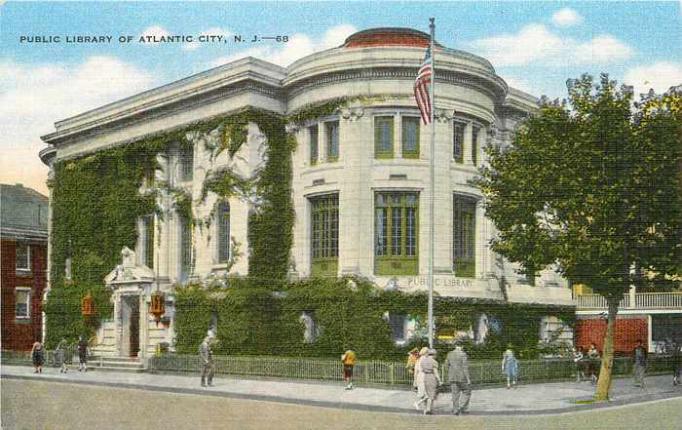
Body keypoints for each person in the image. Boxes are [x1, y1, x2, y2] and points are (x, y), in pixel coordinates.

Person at [446, 340, 472, 416]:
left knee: (455, 394)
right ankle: (461, 406)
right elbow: (465, 367)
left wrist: (450, 372)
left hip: (452, 377)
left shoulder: (449, 354)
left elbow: (446, 365)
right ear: (462, 346)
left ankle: (455, 409)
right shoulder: (463, 354)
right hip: (462, 377)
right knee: (467, 391)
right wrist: (468, 378)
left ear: (455, 346)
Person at [418, 349, 442, 415]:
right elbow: (436, 372)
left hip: (425, 377)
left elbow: (422, 369)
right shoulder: (434, 361)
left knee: (426, 393)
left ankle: (425, 409)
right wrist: (439, 380)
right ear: (434, 355)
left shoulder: (423, 361)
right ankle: (429, 409)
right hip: (432, 377)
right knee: (431, 394)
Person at [413, 347, 429, 411]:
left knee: (423, 394)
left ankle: (425, 408)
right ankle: (417, 403)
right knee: (427, 394)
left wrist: (415, 381)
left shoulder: (418, 360)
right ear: (426, 353)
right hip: (424, 376)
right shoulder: (425, 359)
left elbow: (415, 371)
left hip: (419, 377)